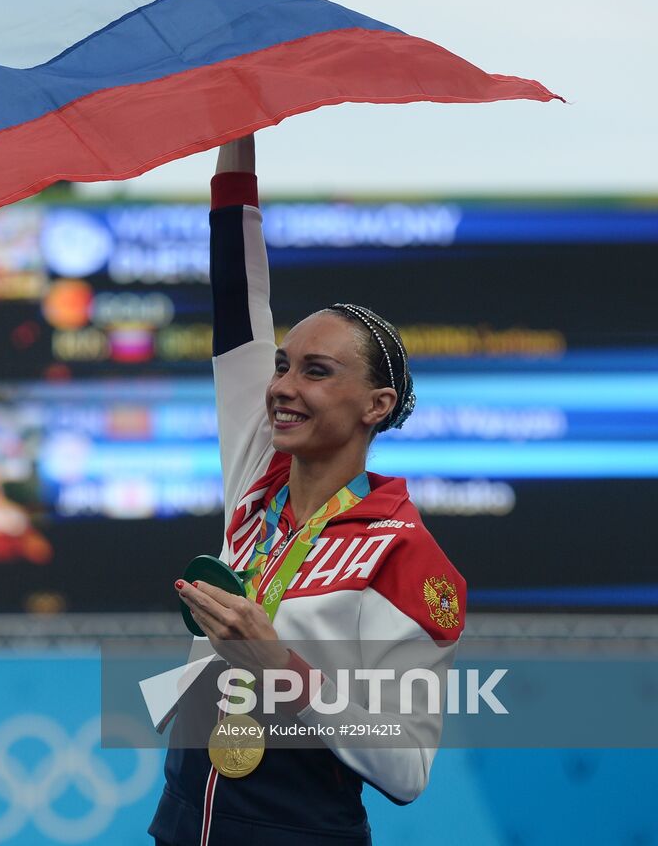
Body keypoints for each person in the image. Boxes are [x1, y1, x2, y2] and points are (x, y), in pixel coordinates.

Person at [153, 135, 466, 846]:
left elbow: (407, 767)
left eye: (316, 372)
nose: (284, 387)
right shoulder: (255, 487)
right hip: (183, 825)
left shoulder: (404, 555)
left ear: (375, 405)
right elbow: (236, 298)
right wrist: (236, 127)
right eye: (284, 364)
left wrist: (281, 669)